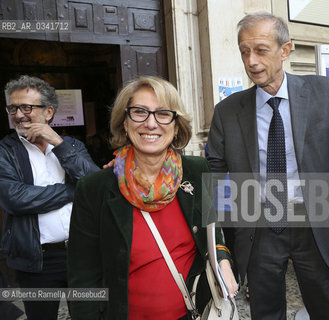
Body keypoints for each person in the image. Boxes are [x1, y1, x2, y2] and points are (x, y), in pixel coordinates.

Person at [206, 13, 329, 319]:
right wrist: (219, 250)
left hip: (315, 223)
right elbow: (213, 176)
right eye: (244, 51)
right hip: (259, 226)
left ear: (285, 49)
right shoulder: (227, 111)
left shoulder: (323, 93)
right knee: (265, 312)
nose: (251, 61)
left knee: (326, 310)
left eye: (261, 50)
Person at [67, 76, 238, 320]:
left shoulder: (197, 170)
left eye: (162, 114)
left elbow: (213, 230)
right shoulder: (94, 189)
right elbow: (82, 277)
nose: (150, 123)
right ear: (125, 123)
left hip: (193, 313)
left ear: (176, 125)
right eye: (139, 112)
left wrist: (222, 260)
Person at [0, 75, 99, 320]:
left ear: (48, 112)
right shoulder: (5, 150)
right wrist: (73, 190)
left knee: (90, 315)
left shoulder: (72, 145)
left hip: (82, 256)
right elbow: (16, 199)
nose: (19, 114)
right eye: (13, 108)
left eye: (27, 107)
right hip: (36, 262)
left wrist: (58, 142)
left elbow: (95, 185)